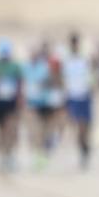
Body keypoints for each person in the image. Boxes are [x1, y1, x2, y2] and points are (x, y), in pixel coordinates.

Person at [0, 39, 24, 172]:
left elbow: (20, 83)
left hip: (11, 101)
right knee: (1, 130)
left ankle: (10, 153)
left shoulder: (15, 66)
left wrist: (20, 99)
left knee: (11, 128)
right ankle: (3, 153)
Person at [25, 41, 63, 169]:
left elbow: (55, 81)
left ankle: (43, 153)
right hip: (33, 104)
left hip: (46, 103)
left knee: (46, 131)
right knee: (36, 131)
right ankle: (39, 155)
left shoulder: (46, 66)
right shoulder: (26, 67)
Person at [63, 33, 96, 169]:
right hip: (71, 97)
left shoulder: (85, 60)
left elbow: (92, 77)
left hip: (84, 97)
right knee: (76, 129)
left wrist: (92, 89)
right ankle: (82, 150)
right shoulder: (66, 60)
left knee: (85, 128)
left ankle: (85, 149)